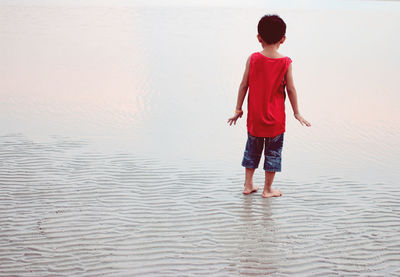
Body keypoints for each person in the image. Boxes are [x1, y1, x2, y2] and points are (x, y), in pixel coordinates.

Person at [227, 14, 311, 198]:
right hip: (276, 121)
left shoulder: (253, 59)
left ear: (259, 38)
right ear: (283, 39)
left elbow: (243, 85)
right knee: (273, 154)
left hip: (255, 120)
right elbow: (291, 89)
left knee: (252, 151)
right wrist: (297, 113)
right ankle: (267, 189)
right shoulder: (285, 62)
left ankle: (248, 185)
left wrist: (237, 110)